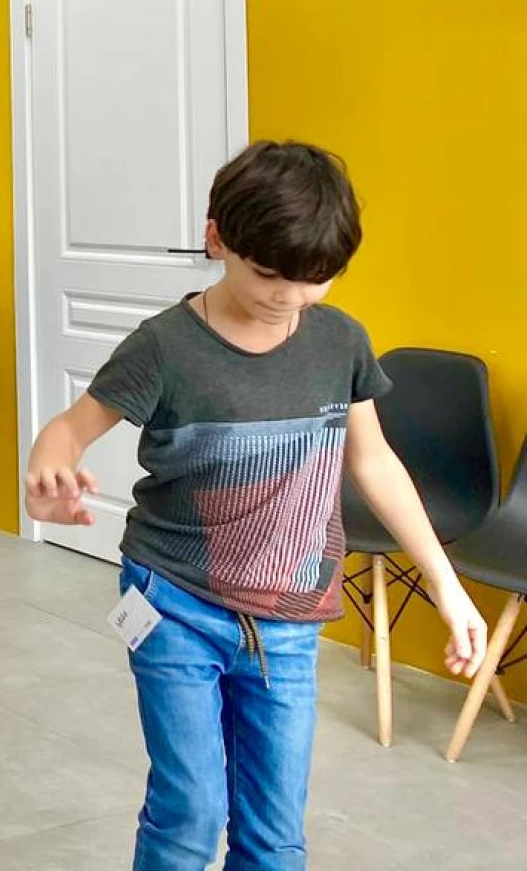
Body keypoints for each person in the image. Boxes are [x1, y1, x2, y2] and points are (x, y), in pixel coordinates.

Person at [24, 140, 488, 869]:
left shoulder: (339, 341)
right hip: (173, 603)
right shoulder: (164, 347)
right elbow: (68, 430)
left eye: (315, 280)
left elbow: (372, 460)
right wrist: (48, 470)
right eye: (268, 275)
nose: (288, 298)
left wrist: (444, 580)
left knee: (274, 832)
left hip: (290, 619)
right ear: (217, 239)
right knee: (189, 812)